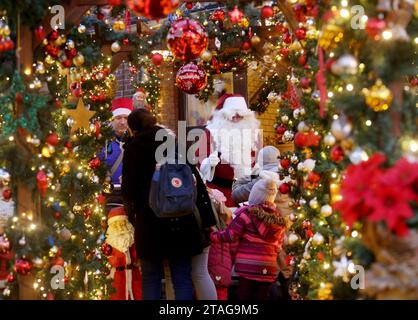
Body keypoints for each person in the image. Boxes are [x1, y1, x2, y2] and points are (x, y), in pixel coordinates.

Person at [121, 109, 216, 300]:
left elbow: (128, 190)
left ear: (133, 129)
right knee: (181, 277)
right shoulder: (172, 142)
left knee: (151, 277)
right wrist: (207, 219)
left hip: (149, 221)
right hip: (180, 218)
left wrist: (133, 216)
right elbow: (194, 179)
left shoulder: (133, 148)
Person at [210, 179, 287, 300]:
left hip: (247, 268)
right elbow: (278, 246)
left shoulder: (246, 215)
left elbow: (230, 235)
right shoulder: (278, 220)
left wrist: (213, 235)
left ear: (254, 195)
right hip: (269, 268)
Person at [197, 94, 261, 208]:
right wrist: (209, 163)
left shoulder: (253, 134)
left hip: (247, 193)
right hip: (220, 193)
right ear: (225, 116)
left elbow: (258, 160)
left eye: (240, 115)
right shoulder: (211, 132)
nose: (236, 118)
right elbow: (199, 158)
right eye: (233, 115)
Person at [101, 97, 133, 213]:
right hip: (109, 197)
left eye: (126, 118)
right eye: (118, 118)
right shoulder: (102, 142)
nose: (123, 122)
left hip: (132, 196)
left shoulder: (136, 141)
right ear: (112, 120)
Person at [105, 206, 142, 300]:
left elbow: (136, 253)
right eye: (116, 224)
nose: (120, 226)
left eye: (122, 223)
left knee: (137, 294)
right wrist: (114, 260)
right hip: (117, 276)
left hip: (134, 274)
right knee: (118, 295)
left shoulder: (131, 238)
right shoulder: (110, 241)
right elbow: (108, 258)